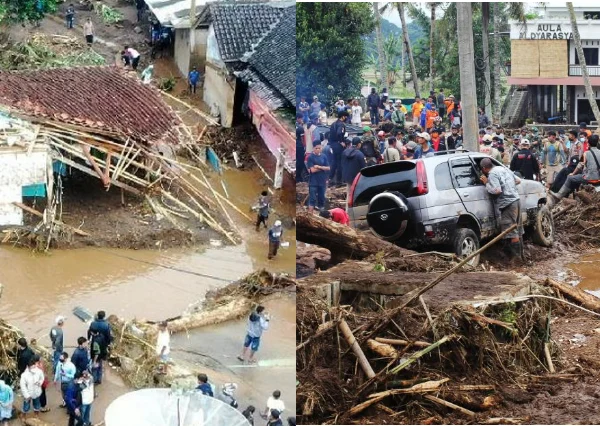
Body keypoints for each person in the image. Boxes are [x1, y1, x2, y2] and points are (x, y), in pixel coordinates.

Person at [480, 157, 523, 262]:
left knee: (512, 232)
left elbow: (497, 190)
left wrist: (486, 183)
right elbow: (518, 180)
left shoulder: (492, 174)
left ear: (484, 168)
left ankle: (516, 261)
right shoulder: (502, 168)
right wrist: (509, 187)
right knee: (517, 230)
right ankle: (521, 258)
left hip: (508, 204)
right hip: (516, 200)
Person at [548, 134, 600, 208]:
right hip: (599, 179)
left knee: (570, 178)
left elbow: (580, 165)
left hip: (589, 179)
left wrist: (573, 173)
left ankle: (559, 195)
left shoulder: (586, 153)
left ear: (588, 143)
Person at [341, 137, 366, 208]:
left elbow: (342, 164)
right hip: (358, 179)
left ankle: (347, 212)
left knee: (349, 194)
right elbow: (364, 167)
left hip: (348, 177)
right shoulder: (360, 154)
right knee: (357, 195)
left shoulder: (344, 152)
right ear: (358, 144)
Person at [306, 144, 329, 213]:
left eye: (319, 148)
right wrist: (323, 168)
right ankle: (310, 214)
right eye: (316, 148)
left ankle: (321, 214)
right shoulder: (310, 157)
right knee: (312, 199)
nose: (318, 149)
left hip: (322, 181)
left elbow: (328, 168)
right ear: (313, 148)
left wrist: (319, 167)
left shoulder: (324, 156)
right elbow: (312, 170)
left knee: (321, 198)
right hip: (313, 182)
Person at [328, 111, 347, 185]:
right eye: (345, 116)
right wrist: (341, 141)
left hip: (333, 145)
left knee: (334, 162)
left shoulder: (333, 124)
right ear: (342, 116)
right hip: (338, 146)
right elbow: (339, 133)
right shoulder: (341, 124)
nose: (346, 118)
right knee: (340, 163)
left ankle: (330, 178)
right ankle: (339, 181)